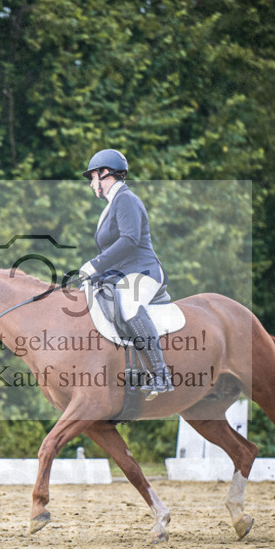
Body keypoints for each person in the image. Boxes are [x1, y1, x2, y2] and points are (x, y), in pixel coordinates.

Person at [79, 149, 174, 398]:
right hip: (122, 275)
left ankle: (162, 375)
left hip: (144, 272)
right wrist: (94, 277)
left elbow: (129, 240)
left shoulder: (126, 199)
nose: (91, 184)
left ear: (105, 173)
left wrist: (95, 264)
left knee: (129, 305)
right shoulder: (112, 206)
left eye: (93, 177)